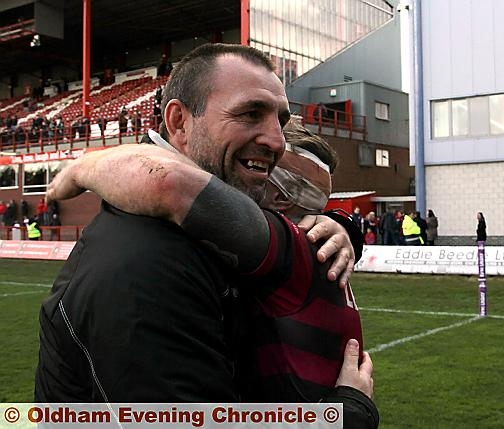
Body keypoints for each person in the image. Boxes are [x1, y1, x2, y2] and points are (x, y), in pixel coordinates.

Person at [37, 44, 375, 425]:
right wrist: (346, 414)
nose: (276, 140)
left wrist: (344, 226)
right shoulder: (144, 264)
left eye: (280, 120)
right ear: (179, 122)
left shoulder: (222, 235)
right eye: (250, 113)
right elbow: (169, 184)